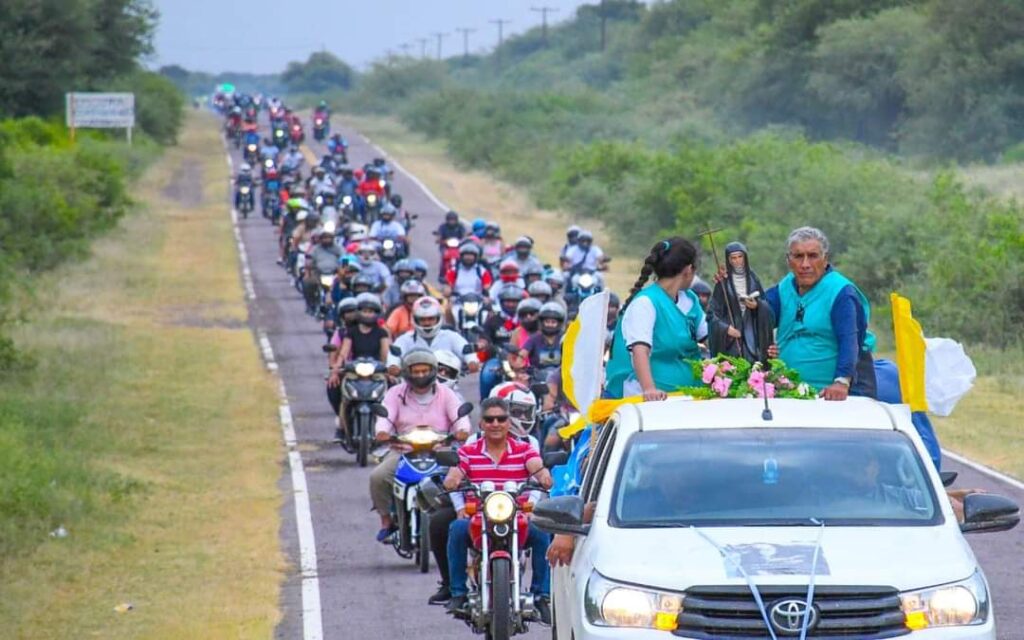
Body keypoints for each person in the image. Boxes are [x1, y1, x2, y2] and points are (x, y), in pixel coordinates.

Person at [442, 397, 553, 624]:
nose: (495, 424)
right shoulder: (468, 451)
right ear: (481, 424)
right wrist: (454, 487)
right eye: (489, 419)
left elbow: (537, 468)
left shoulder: (524, 449)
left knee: (542, 532)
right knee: (456, 529)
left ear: (508, 422)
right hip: (478, 517)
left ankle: (541, 595)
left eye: (501, 419)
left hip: (517, 515)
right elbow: (453, 476)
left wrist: (543, 476)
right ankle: (457, 593)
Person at [371, 349, 472, 542]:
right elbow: (386, 416)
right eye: (415, 371)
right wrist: (382, 432)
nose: (420, 375)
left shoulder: (446, 393)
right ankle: (386, 520)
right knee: (378, 476)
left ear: (433, 370)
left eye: (424, 371)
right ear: (407, 372)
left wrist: (462, 430)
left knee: (463, 479)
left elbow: (460, 416)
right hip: (403, 450)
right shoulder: (395, 393)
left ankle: (461, 516)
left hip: (440, 450)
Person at [765, 227, 876, 400]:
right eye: (798, 256)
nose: (805, 264)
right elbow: (758, 314)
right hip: (789, 392)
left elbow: (849, 339)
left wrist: (841, 382)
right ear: (788, 260)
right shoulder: (785, 287)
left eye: (813, 256)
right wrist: (728, 284)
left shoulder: (841, 292)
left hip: (832, 394)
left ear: (825, 259)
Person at [605, 237, 707, 400]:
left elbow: (710, 336)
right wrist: (649, 389)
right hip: (655, 402)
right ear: (688, 270)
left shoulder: (690, 299)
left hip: (692, 397)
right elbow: (640, 350)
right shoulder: (645, 303)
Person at [709, 242, 771, 363]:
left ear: (745, 257)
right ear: (729, 260)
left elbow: (766, 305)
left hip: (752, 335)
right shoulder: (723, 282)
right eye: (733, 258)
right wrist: (726, 329)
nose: (737, 261)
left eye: (740, 257)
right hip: (732, 339)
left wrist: (757, 306)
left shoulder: (753, 279)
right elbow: (712, 313)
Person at [389, 297, 480, 374]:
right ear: (415, 319)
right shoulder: (405, 339)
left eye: (431, 319)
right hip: (413, 387)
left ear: (438, 318)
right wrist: (393, 365)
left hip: (448, 388)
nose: (427, 323)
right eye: (422, 319)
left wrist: (471, 361)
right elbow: (395, 354)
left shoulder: (451, 336)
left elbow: (465, 349)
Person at [520, 302, 565, 383]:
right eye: (547, 322)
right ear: (542, 322)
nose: (550, 325)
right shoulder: (534, 338)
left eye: (553, 322)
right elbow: (522, 354)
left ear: (559, 323)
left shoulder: (565, 338)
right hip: (537, 380)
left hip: (561, 380)